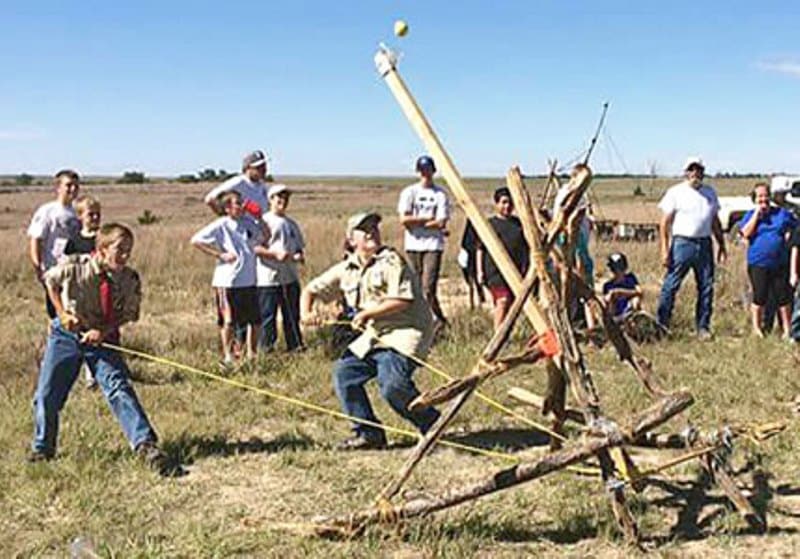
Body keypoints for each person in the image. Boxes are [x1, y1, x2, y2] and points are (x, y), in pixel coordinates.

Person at [300, 212, 441, 450]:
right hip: (374, 336)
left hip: (404, 334)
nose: (371, 232)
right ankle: (368, 433)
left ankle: (434, 425)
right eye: (363, 229)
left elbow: (401, 301)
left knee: (392, 385)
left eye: (374, 227)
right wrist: (306, 314)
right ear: (351, 240)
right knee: (345, 375)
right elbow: (310, 290)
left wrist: (367, 314)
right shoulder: (347, 268)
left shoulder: (392, 260)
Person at [29, 223, 163, 467]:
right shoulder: (74, 265)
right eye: (119, 250)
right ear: (101, 249)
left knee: (118, 387)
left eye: (129, 250)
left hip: (104, 338)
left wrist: (103, 331)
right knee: (47, 394)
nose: (125, 256)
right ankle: (42, 449)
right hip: (66, 336)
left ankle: (146, 445)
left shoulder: (129, 278)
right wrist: (61, 314)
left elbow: (130, 314)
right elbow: (50, 282)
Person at [191, 191, 266, 364]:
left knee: (255, 321)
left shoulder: (248, 223)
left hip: (249, 279)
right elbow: (196, 240)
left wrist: (259, 218)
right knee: (229, 320)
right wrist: (220, 254)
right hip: (227, 281)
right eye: (237, 203)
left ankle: (252, 354)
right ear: (227, 208)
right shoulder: (221, 225)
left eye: (242, 202)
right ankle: (228, 355)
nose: (242, 206)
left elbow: (264, 237)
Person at [656, 157, 727, 339]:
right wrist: (664, 249)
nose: (695, 173)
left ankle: (703, 327)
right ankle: (662, 324)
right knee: (671, 286)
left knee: (706, 286)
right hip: (682, 244)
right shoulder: (675, 192)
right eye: (691, 169)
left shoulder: (710, 193)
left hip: (704, 244)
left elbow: (715, 221)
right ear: (686, 172)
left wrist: (721, 244)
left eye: (698, 169)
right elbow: (664, 223)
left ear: (703, 172)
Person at [397, 155, 450, 330]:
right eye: (422, 170)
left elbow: (441, 222)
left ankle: (435, 322)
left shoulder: (440, 194)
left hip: (433, 245)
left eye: (428, 170)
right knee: (414, 287)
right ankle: (429, 321)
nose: (425, 173)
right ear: (418, 171)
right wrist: (428, 220)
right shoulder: (409, 192)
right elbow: (404, 220)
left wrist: (417, 222)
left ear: (433, 171)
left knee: (428, 287)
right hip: (413, 245)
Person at [739, 182, 797, 337]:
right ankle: (756, 328)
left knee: (783, 297)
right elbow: (745, 233)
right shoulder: (750, 215)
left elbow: (795, 227)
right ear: (754, 199)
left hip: (780, 262)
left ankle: (787, 329)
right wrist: (757, 216)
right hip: (758, 263)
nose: (763, 200)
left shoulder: (781, 214)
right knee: (759, 296)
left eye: (765, 196)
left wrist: (789, 236)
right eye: (760, 197)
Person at [255, 184, 305, 352]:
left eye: (286, 197)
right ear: (270, 200)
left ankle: (295, 347)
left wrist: (298, 256)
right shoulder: (264, 222)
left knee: (292, 315)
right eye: (279, 197)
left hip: (290, 277)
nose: (283, 201)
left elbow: (299, 247)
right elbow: (255, 248)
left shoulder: (291, 224)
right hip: (268, 279)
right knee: (268, 317)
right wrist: (274, 255)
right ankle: (266, 350)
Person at [27, 169, 82, 318]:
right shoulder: (47, 211)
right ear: (58, 187)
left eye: (76, 186)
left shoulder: (77, 212)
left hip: (74, 270)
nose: (73, 189)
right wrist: (38, 267)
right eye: (69, 185)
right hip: (53, 269)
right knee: (57, 312)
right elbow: (35, 239)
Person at [475, 187, 529, 330]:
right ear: (496, 204)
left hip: (515, 270)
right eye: (504, 202)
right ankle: (497, 336)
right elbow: (480, 249)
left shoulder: (518, 224)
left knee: (510, 303)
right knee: (502, 300)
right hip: (494, 271)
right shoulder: (490, 224)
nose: (507, 206)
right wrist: (480, 271)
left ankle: (504, 334)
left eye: (510, 203)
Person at [65, 194, 103, 389]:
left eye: (98, 214)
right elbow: (66, 265)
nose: (95, 218)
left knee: (97, 328)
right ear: (80, 217)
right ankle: (80, 368)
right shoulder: (74, 241)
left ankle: (94, 373)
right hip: (79, 292)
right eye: (91, 215)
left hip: (98, 291)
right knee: (80, 329)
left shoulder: (102, 239)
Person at [203, 150, 270, 216]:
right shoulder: (238, 182)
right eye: (258, 167)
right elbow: (210, 199)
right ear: (247, 168)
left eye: (264, 165)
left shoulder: (262, 185)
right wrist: (224, 215)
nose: (263, 169)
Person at [602, 252, 642, 321]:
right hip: (615, 313)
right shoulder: (608, 285)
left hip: (629, 309)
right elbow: (606, 300)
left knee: (636, 300)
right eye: (614, 269)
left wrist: (620, 292)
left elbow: (640, 292)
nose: (618, 271)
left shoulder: (630, 278)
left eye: (620, 268)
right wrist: (611, 296)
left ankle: (634, 318)